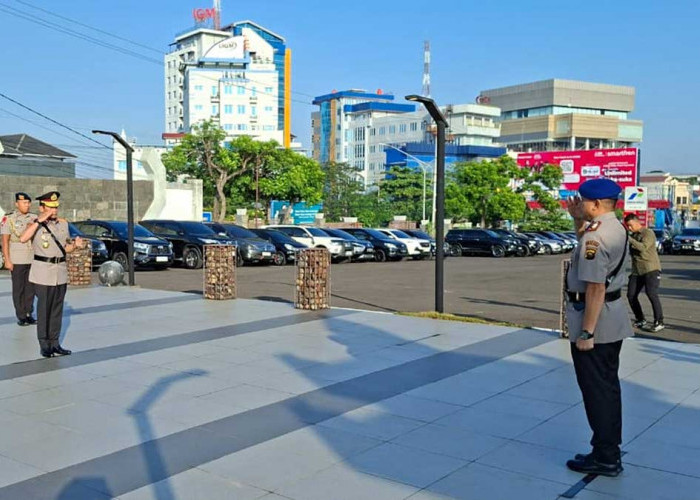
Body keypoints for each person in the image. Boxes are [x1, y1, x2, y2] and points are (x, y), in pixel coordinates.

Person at [564, 178, 633, 478]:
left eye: (582, 202)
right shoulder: (613, 227)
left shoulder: (596, 237)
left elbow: (595, 287)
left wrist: (586, 332)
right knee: (606, 387)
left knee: (597, 392)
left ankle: (605, 457)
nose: (579, 204)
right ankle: (607, 450)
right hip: (611, 317)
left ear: (594, 204)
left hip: (596, 322)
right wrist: (577, 220)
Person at [19, 191, 85, 358]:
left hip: (60, 271)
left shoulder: (63, 224)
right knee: (44, 310)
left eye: (55, 207)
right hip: (42, 272)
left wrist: (75, 246)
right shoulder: (34, 224)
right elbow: (23, 238)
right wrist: (39, 221)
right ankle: (44, 344)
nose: (54, 211)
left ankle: (55, 343)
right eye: (50, 207)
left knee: (57, 310)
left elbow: (65, 248)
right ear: (42, 208)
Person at [624, 213, 664, 332]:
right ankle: (640, 318)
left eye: (630, 225)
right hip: (637, 271)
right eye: (627, 226)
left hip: (651, 269)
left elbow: (643, 247)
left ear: (637, 222)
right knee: (631, 295)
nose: (629, 228)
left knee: (651, 293)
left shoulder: (648, 233)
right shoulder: (633, 235)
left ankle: (659, 321)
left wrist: (629, 239)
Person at [1, 192, 37, 326]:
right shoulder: (9, 219)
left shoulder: (34, 217)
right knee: (18, 289)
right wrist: (7, 259)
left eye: (28, 203)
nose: (27, 205)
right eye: (24, 203)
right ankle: (21, 315)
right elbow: (5, 241)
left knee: (31, 289)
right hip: (17, 259)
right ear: (17, 204)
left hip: (32, 258)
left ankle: (29, 313)